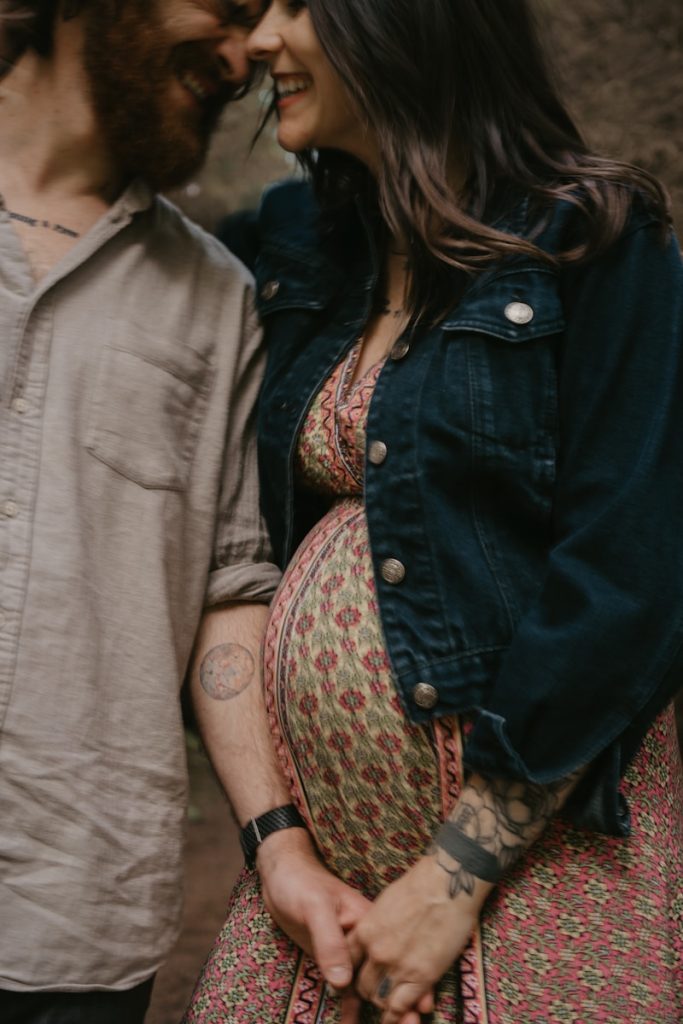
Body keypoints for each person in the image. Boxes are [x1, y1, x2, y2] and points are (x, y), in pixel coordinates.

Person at [184, 1, 683, 1022]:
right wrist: (279, 844)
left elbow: (627, 573)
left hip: (537, 863)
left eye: (294, 4)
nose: (262, 41)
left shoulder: (594, 241)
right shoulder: (299, 249)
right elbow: (232, 558)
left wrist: (452, 874)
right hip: (320, 891)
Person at [0, 2, 373, 1021]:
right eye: (226, 8)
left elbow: (228, 583)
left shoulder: (214, 297)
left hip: (73, 924)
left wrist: (280, 844)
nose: (242, 55)